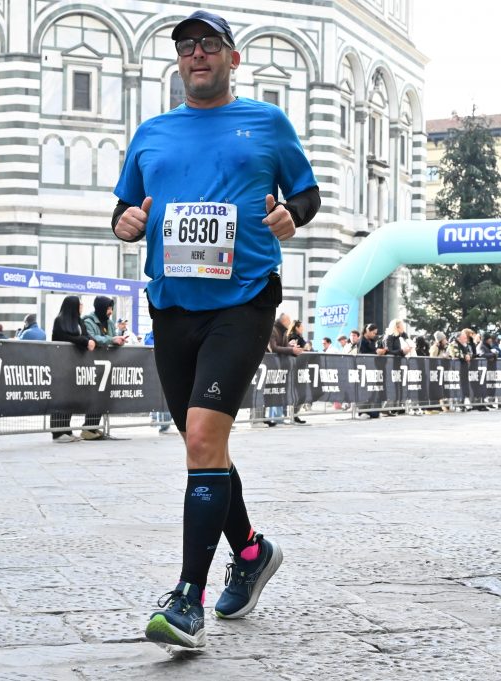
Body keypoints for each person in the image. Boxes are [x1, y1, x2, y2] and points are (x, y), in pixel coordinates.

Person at [110, 9, 320, 651]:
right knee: (205, 447)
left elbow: (307, 193)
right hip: (172, 305)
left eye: (208, 43)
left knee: (203, 436)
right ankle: (251, 552)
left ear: (232, 57)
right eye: (185, 46)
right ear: (179, 62)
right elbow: (124, 207)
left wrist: (291, 215)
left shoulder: (267, 122)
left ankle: (186, 601)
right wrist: (124, 223)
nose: (196, 53)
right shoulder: (152, 133)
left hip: (244, 299)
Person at [80, 295, 126, 440]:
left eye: (111, 308)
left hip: (106, 365)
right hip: (92, 365)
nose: (110, 311)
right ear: (100, 308)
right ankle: (88, 428)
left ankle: (93, 427)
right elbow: (92, 337)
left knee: (102, 397)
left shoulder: (110, 323)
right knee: (93, 397)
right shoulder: (88, 321)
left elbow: (112, 338)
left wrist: (119, 340)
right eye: (108, 308)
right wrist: (112, 339)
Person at [50, 296, 96, 442]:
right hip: (61, 365)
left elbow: (86, 335)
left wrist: (89, 340)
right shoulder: (59, 321)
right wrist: (84, 341)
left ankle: (67, 430)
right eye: (79, 305)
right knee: (60, 398)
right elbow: (64, 337)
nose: (81, 307)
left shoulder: (79, 321)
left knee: (69, 398)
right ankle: (57, 432)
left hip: (75, 365)